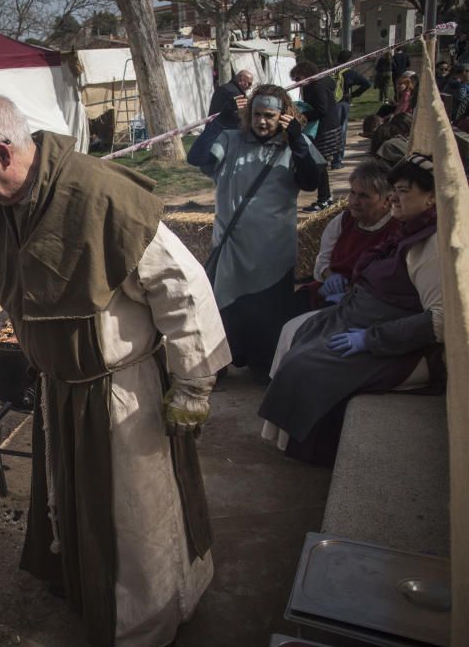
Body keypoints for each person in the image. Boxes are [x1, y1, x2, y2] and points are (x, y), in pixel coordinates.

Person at [0, 94, 231, 646]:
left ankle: (143, 624)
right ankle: (91, 592)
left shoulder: (101, 196)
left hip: (122, 394)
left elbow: (182, 285)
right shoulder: (11, 203)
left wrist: (194, 382)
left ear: (4, 153)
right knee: (80, 503)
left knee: (134, 517)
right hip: (63, 391)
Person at [259, 154, 444, 465]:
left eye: (403, 191)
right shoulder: (406, 230)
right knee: (298, 336)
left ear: (432, 198)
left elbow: (438, 322)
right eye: (394, 189)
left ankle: (315, 451)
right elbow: (324, 266)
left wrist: (370, 339)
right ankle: (295, 438)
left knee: (305, 366)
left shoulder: (431, 247)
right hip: (355, 313)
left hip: (393, 344)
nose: (395, 197)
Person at [188, 84, 323, 380]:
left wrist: (298, 141)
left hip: (272, 251)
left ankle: (264, 363)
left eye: (270, 116)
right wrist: (218, 121)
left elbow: (311, 180)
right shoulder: (230, 139)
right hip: (233, 247)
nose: (263, 121)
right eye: (258, 114)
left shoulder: (293, 145)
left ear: (283, 116)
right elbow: (196, 158)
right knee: (225, 309)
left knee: (269, 311)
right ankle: (220, 362)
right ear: (249, 114)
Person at [298, 160, 399, 310]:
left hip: (368, 302)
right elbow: (322, 260)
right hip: (330, 291)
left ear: (386, 200)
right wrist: (330, 276)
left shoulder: (396, 229)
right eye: (353, 193)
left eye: (364, 196)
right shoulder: (342, 221)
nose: (355, 201)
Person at [291, 61, 341, 211]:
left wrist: (301, 116)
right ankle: (325, 197)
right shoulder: (312, 85)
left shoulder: (318, 86)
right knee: (320, 163)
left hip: (325, 130)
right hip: (323, 128)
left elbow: (321, 109)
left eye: (298, 78)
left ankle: (324, 199)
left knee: (320, 163)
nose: (297, 82)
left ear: (306, 74)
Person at [331, 51, 371, 169]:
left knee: (329, 131)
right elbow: (367, 83)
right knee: (341, 132)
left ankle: (326, 156)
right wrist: (353, 94)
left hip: (329, 104)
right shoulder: (349, 73)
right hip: (342, 103)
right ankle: (337, 161)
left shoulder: (331, 71)